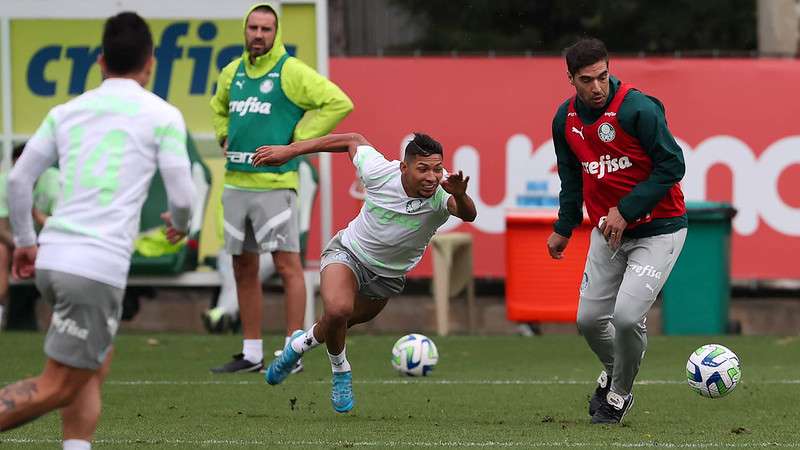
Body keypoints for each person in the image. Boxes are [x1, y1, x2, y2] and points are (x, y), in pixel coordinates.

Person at [0, 12, 195, 449]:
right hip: (94, 267)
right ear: (150, 63)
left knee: (93, 365)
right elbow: (182, 198)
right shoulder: (162, 115)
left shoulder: (66, 112)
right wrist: (180, 227)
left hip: (56, 257)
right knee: (58, 385)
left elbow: (17, 180)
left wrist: (26, 244)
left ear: (101, 61)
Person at [255, 132, 477, 413]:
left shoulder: (443, 192)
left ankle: (299, 345)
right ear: (403, 167)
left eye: (437, 168)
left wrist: (459, 192)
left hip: (387, 278)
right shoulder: (379, 172)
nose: (432, 177)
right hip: (348, 253)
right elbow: (352, 139)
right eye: (423, 169)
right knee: (337, 311)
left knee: (336, 322)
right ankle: (341, 372)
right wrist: (291, 150)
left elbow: (468, 214)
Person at [547, 38, 687, 424]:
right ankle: (617, 372)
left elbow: (673, 165)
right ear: (571, 79)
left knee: (626, 318)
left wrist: (625, 209)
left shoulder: (637, 108)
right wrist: (564, 225)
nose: (597, 87)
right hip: (607, 234)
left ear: (611, 70)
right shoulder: (565, 120)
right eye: (587, 80)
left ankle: (619, 395)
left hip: (660, 230)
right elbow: (571, 176)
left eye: (603, 77)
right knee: (589, 321)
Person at [208, 3, 353, 374]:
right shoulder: (232, 72)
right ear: (245, 30)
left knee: (287, 266)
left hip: (277, 184)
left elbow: (338, 102)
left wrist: (298, 140)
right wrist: (223, 133)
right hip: (236, 181)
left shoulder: (289, 71)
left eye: (266, 29)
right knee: (242, 266)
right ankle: (252, 352)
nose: (258, 35)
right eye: (253, 28)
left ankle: (293, 350)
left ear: (276, 34)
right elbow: (219, 107)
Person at [0, 143, 60, 330]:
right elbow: (1, 228)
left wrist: (36, 215)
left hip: (49, 242)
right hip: (13, 244)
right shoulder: (4, 183)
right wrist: (22, 245)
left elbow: (60, 226)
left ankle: (60, 322)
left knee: (63, 254)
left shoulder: (56, 181)